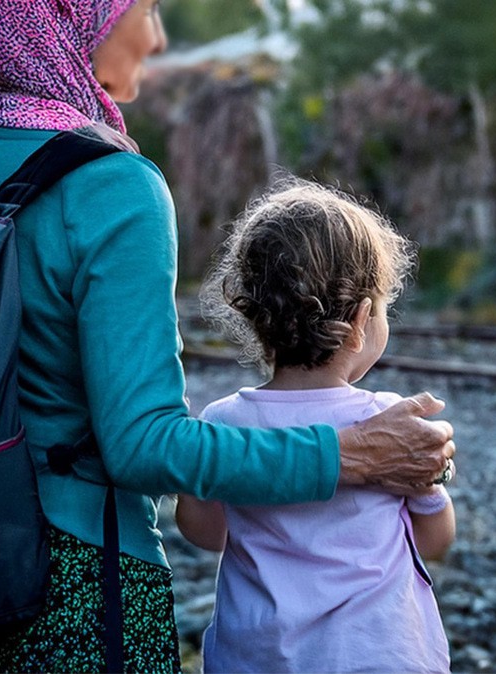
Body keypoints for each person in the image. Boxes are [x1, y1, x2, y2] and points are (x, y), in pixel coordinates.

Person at [0, 1, 455, 672]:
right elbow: (140, 447)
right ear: (67, 16)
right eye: (145, 7)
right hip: (65, 584)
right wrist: (347, 457)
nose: (155, 38)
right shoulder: (112, 186)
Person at [176, 179, 456, 673]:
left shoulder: (223, 423)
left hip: (258, 659)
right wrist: (434, 487)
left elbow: (202, 530)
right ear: (363, 318)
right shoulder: (387, 423)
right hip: (379, 657)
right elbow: (434, 541)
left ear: (255, 315)